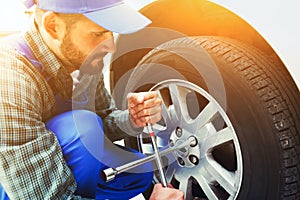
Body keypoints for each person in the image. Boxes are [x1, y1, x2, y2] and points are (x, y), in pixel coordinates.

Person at [0, 0, 184, 199]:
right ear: (53, 26)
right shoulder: (10, 76)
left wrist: (132, 119)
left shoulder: (84, 60)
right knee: (83, 127)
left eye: (111, 32)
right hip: (15, 183)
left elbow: (103, 124)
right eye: (98, 34)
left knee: (139, 171)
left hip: (54, 162)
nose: (112, 47)